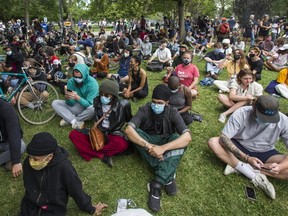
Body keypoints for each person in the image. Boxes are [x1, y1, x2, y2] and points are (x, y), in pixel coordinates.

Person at [125, 84, 191, 212]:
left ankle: (157, 183)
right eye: (154, 102)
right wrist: (149, 146)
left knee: (179, 139)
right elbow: (128, 130)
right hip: (148, 141)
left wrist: (163, 149)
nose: (156, 105)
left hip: (165, 142)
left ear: (167, 102)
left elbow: (187, 137)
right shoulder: (144, 109)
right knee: (136, 134)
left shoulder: (172, 112)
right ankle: (168, 175)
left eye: (160, 103)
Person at [208, 95, 288, 200]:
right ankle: (251, 173)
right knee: (213, 142)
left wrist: (280, 167)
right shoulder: (241, 113)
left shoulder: (284, 120)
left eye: (270, 119)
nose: (266, 121)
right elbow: (224, 138)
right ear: (254, 107)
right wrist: (247, 158)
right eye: (263, 117)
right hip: (239, 146)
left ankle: (239, 167)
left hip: (266, 151)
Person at [19, 132, 107, 215]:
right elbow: (28, 183)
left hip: (53, 208)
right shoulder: (28, 162)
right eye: (30, 157)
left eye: (35, 159)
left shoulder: (64, 167)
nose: (31, 161)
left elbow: (76, 189)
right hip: (30, 204)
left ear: (49, 157)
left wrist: (90, 208)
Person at [69, 78, 132, 167]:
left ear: (114, 95)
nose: (103, 97)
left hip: (113, 133)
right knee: (73, 134)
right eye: (101, 94)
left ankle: (92, 150)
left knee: (122, 144)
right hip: (98, 132)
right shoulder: (97, 101)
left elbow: (130, 121)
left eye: (107, 95)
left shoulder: (123, 105)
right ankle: (102, 155)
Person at [52, 64, 99, 129]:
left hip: (87, 109)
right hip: (77, 106)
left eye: (79, 77)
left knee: (93, 109)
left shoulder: (93, 84)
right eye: (75, 77)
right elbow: (71, 104)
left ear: (85, 75)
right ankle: (74, 121)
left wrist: (78, 98)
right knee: (55, 103)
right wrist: (68, 98)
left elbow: (90, 104)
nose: (77, 79)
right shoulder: (71, 81)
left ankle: (70, 118)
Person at [0, 99, 26, 177]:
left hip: (7, 141)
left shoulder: (6, 108)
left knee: (21, 146)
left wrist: (16, 161)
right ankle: (7, 160)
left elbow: (14, 134)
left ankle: (11, 159)